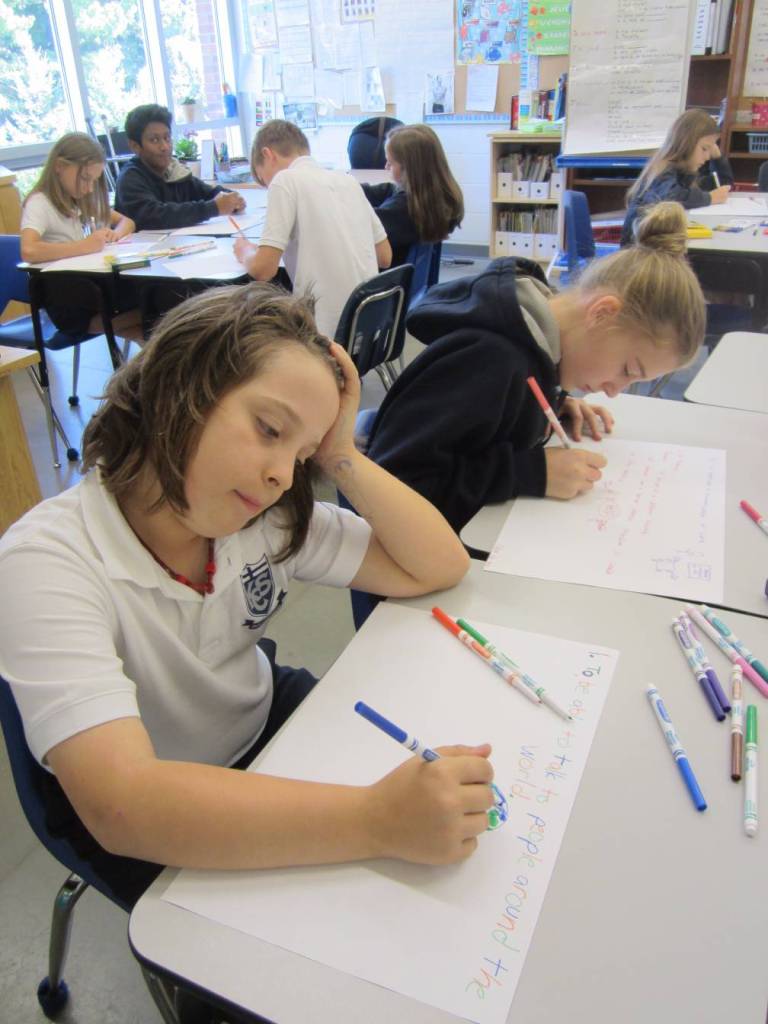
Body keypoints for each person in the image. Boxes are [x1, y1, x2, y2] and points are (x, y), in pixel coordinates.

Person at [0, 283, 488, 918]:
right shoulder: (46, 561)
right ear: (179, 387)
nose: (283, 474)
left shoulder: (263, 518)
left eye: (301, 455)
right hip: (164, 801)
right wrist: (375, 819)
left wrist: (339, 455)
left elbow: (439, 565)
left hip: (262, 719)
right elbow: (124, 807)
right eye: (269, 429)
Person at [365, 203, 706, 535]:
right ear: (602, 314)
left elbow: (485, 423)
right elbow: (391, 483)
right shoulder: (488, 360)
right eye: (627, 370)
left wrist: (554, 403)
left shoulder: (544, 346)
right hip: (406, 554)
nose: (616, 390)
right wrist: (529, 473)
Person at [233, 119, 392, 337]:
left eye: (263, 180)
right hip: (368, 330)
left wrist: (245, 251)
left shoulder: (284, 180)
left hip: (323, 335)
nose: (268, 186)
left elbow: (263, 270)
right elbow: (385, 256)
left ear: (268, 155)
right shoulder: (347, 181)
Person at [20, 132, 140, 336]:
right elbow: (28, 250)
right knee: (151, 301)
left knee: (149, 310)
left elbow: (127, 222)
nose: (89, 188)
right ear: (59, 166)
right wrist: (83, 247)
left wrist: (116, 235)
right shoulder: (39, 202)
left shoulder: (77, 199)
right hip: (66, 303)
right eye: (85, 178)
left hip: (88, 292)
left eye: (94, 181)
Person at [115, 103, 246, 230]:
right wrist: (214, 208)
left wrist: (232, 199)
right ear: (135, 146)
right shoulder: (130, 178)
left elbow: (208, 193)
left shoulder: (174, 170)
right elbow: (155, 215)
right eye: (154, 140)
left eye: (167, 138)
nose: (164, 147)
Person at [621, 108, 731, 245]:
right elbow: (671, 197)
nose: (708, 156)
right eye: (704, 149)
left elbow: (722, 184)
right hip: (639, 250)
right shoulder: (663, 169)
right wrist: (709, 198)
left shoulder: (686, 169)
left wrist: (718, 157)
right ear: (686, 144)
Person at [361, 123, 464, 267]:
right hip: (406, 273)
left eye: (390, 163)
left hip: (388, 275)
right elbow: (386, 191)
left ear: (409, 168)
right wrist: (349, 188)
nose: (386, 167)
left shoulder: (402, 210)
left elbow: (364, 222)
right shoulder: (431, 197)